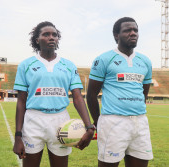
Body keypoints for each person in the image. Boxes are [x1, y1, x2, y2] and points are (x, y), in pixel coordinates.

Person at [13, 21, 95, 167]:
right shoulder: (26, 65)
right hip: (33, 120)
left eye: (55, 35)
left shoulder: (68, 65)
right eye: (46, 34)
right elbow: (21, 101)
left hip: (61, 121)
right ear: (37, 39)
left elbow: (77, 97)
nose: (51, 37)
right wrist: (18, 135)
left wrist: (89, 127)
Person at [87, 17, 153, 167]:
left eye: (135, 30)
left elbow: (144, 93)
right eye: (127, 30)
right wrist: (99, 121)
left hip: (140, 122)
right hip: (113, 122)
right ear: (116, 35)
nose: (133, 33)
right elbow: (91, 96)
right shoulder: (104, 59)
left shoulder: (145, 61)